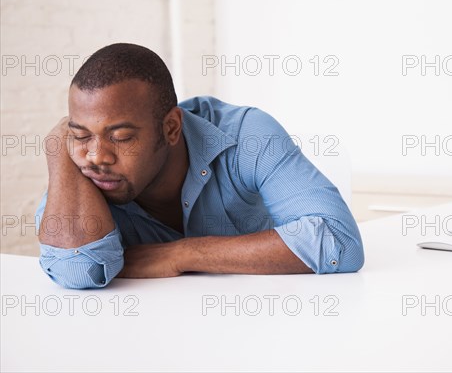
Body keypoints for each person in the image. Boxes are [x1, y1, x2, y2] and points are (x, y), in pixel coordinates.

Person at [35, 43, 364, 289]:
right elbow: (79, 272)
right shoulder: (82, 166)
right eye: (80, 135)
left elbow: (339, 242)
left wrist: (181, 255)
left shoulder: (246, 134)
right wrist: (58, 150)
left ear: (171, 128)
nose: (97, 156)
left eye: (120, 137)